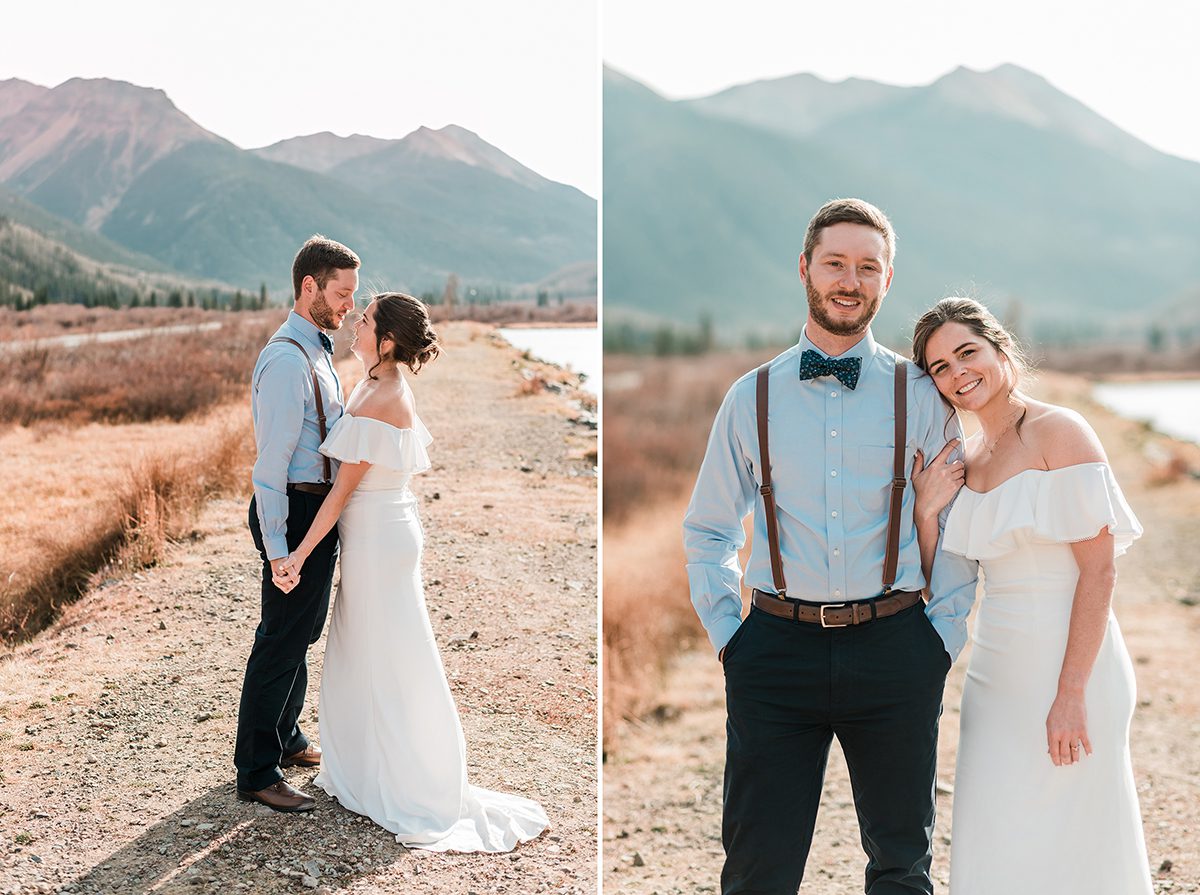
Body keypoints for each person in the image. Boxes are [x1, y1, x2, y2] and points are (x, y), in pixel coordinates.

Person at [683, 198, 979, 895]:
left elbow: (959, 526)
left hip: (899, 645)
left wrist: (943, 636)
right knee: (759, 869)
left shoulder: (926, 395)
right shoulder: (749, 396)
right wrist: (732, 635)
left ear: (887, 278)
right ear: (805, 268)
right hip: (774, 653)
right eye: (836, 263)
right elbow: (708, 530)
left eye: (867, 267)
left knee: (903, 865)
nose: (850, 280)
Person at [274, 292, 549, 851]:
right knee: (370, 651)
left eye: (367, 320)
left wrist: (297, 555)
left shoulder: (382, 396)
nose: (355, 323)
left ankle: (409, 781)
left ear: (389, 340)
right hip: (382, 531)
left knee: (388, 656)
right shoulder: (375, 383)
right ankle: (370, 765)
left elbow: (339, 496)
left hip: (377, 539)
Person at [909, 297, 1153, 894]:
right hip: (996, 670)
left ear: (1001, 349)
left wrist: (1071, 695)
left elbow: (1098, 574)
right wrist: (924, 508)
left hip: (1075, 664)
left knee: (1080, 832)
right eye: (940, 366)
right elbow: (937, 576)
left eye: (967, 352)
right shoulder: (962, 460)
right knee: (996, 826)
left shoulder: (1060, 431)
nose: (958, 372)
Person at [235, 235, 360, 812]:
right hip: (293, 508)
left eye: (352, 296)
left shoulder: (318, 351)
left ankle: (287, 738)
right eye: (340, 294)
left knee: (301, 633)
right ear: (309, 286)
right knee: (280, 640)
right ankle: (257, 770)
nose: (348, 307)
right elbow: (272, 465)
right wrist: (282, 549)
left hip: (316, 509)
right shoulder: (288, 359)